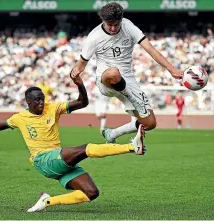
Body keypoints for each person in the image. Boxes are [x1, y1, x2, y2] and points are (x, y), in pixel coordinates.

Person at [0, 74, 145, 212]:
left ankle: (47, 202)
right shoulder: (20, 117)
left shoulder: (53, 108)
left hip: (58, 160)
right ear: (28, 102)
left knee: (91, 193)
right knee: (84, 149)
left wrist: (80, 84)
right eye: (37, 101)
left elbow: (82, 102)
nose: (41, 103)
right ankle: (131, 147)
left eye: (42, 100)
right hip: (43, 160)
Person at [70, 2, 183, 145]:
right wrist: (75, 74)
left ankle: (112, 133)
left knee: (150, 123)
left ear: (121, 20)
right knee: (113, 73)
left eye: (115, 24)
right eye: (108, 24)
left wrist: (171, 69)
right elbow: (80, 66)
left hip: (128, 80)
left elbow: (151, 50)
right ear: (102, 21)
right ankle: (133, 99)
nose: (112, 28)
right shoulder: (94, 37)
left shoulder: (128, 27)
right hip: (105, 79)